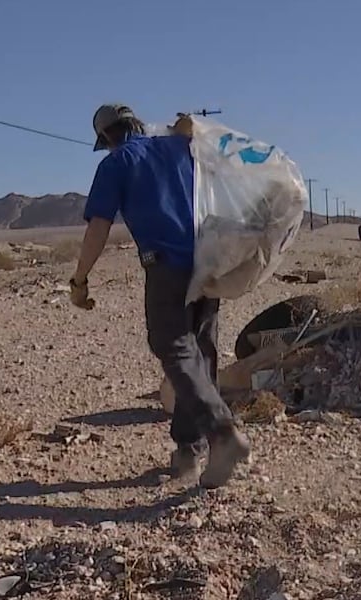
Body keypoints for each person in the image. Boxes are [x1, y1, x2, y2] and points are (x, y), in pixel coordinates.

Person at [67, 103, 250, 489]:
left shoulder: (117, 163)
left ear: (107, 137)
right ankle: (189, 450)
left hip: (168, 266)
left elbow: (98, 227)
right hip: (209, 259)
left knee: (172, 345)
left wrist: (79, 280)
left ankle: (222, 433)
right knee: (200, 351)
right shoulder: (181, 148)